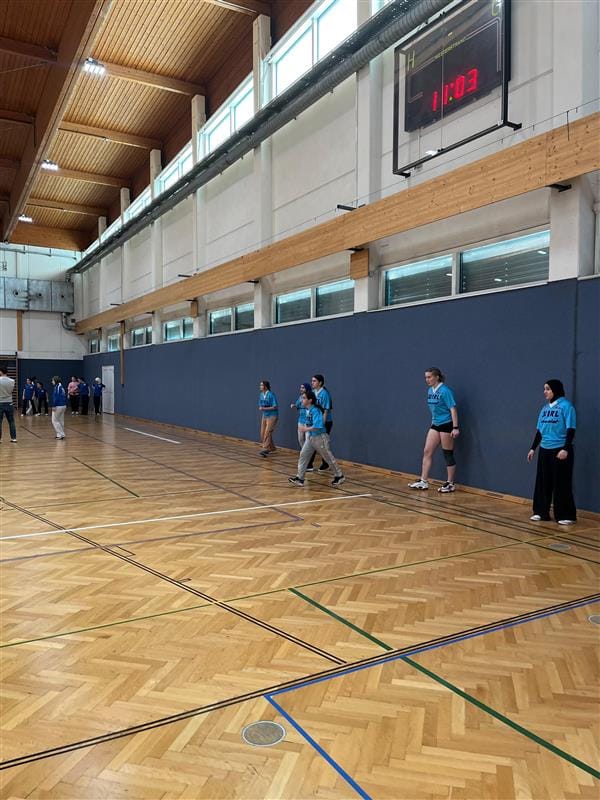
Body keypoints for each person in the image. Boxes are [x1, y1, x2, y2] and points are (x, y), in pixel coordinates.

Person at [527, 379, 577, 525]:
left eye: (548, 389)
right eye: (544, 389)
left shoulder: (566, 406)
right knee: (543, 482)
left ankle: (566, 515)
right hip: (545, 449)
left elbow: (571, 429)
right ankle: (541, 512)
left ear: (555, 390)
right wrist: (533, 448)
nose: (545, 392)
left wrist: (565, 448)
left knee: (561, 483)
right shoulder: (544, 409)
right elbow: (539, 431)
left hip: (560, 449)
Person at [409, 367, 460, 493]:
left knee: (447, 454)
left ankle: (450, 483)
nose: (427, 380)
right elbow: (434, 409)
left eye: (429, 377)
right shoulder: (430, 390)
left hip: (446, 425)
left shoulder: (445, 391)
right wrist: (433, 421)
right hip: (435, 424)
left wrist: (455, 427)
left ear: (437, 377)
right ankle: (423, 481)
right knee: (427, 451)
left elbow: (453, 409)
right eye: (426, 377)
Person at [289, 392, 345, 487]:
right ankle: (300, 478)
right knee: (303, 455)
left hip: (320, 438)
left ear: (310, 400)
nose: (302, 400)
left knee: (328, 457)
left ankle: (339, 476)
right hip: (310, 438)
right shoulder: (307, 410)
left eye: (304, 398)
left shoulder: (316, 411)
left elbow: (318, 426)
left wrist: (305, 429)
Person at [306, 374, 334, 472]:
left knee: (322, 444)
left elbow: (326, 411)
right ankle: (309, 465)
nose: (312, 383)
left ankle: (326, 463)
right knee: (312, 442)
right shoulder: (313, 393)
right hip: (315, 421)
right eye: (312, 381)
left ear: (320, 382)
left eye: (314, 381)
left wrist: (321, 424)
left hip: (325, 422)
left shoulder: (324, 394)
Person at [258, 380, 278, 456]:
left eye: (261, 385)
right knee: (263, 432)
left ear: (265, 387)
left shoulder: (271, 394)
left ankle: (265, 449)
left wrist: (264, 408)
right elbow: (260, 405)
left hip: (272, 415)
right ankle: (272, 448)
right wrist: (262, 408)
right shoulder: (261, 395)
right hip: (265, 415)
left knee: (268, 432)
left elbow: (275, 407)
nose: (260, 386)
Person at [291, 382, 312, 449]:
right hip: (301, 420)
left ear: (307, 388)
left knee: (308, 439)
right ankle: (304, 452)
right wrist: (294, 405)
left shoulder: (311, 396)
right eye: (301, 387)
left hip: (308, 421)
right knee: (300, 438)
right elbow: (297, 405)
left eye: (303, 388)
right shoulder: (300, 397)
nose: (301, 389)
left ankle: (308, 453)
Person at [0, 365, 17, 443]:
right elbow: (11, 391)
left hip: (0, 402)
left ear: (1, 372)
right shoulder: (12, 381)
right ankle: (14, 438)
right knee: (11, 421)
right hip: (9, 402)